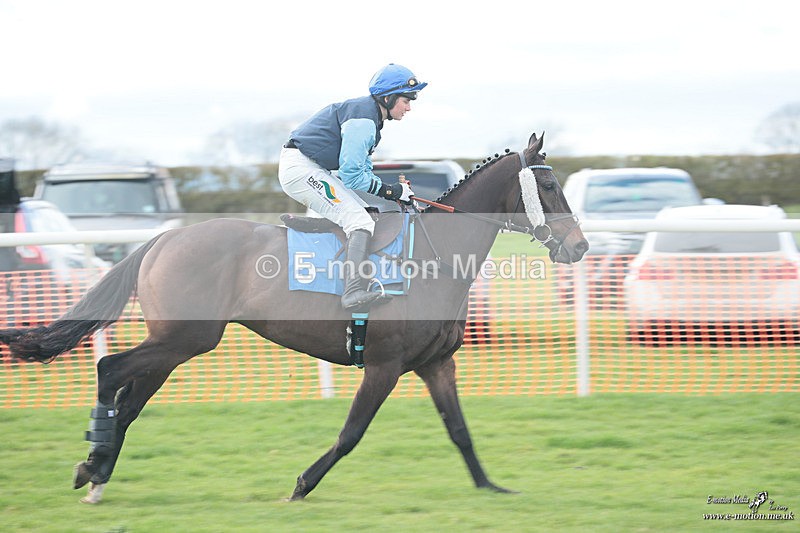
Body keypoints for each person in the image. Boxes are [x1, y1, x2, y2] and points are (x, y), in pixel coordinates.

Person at [278, 63, 427, 310]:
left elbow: (363, 171)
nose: (409, 107)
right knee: (361, 222)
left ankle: (316, 223)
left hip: (310, 167)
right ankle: (352, 293)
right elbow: (352, 176)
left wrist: (394, 194)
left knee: (365, 214)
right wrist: (393, 191)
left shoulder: (369, 116)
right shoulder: (363, 120)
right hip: (301, 169)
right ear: (388, 98)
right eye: (406, 100)